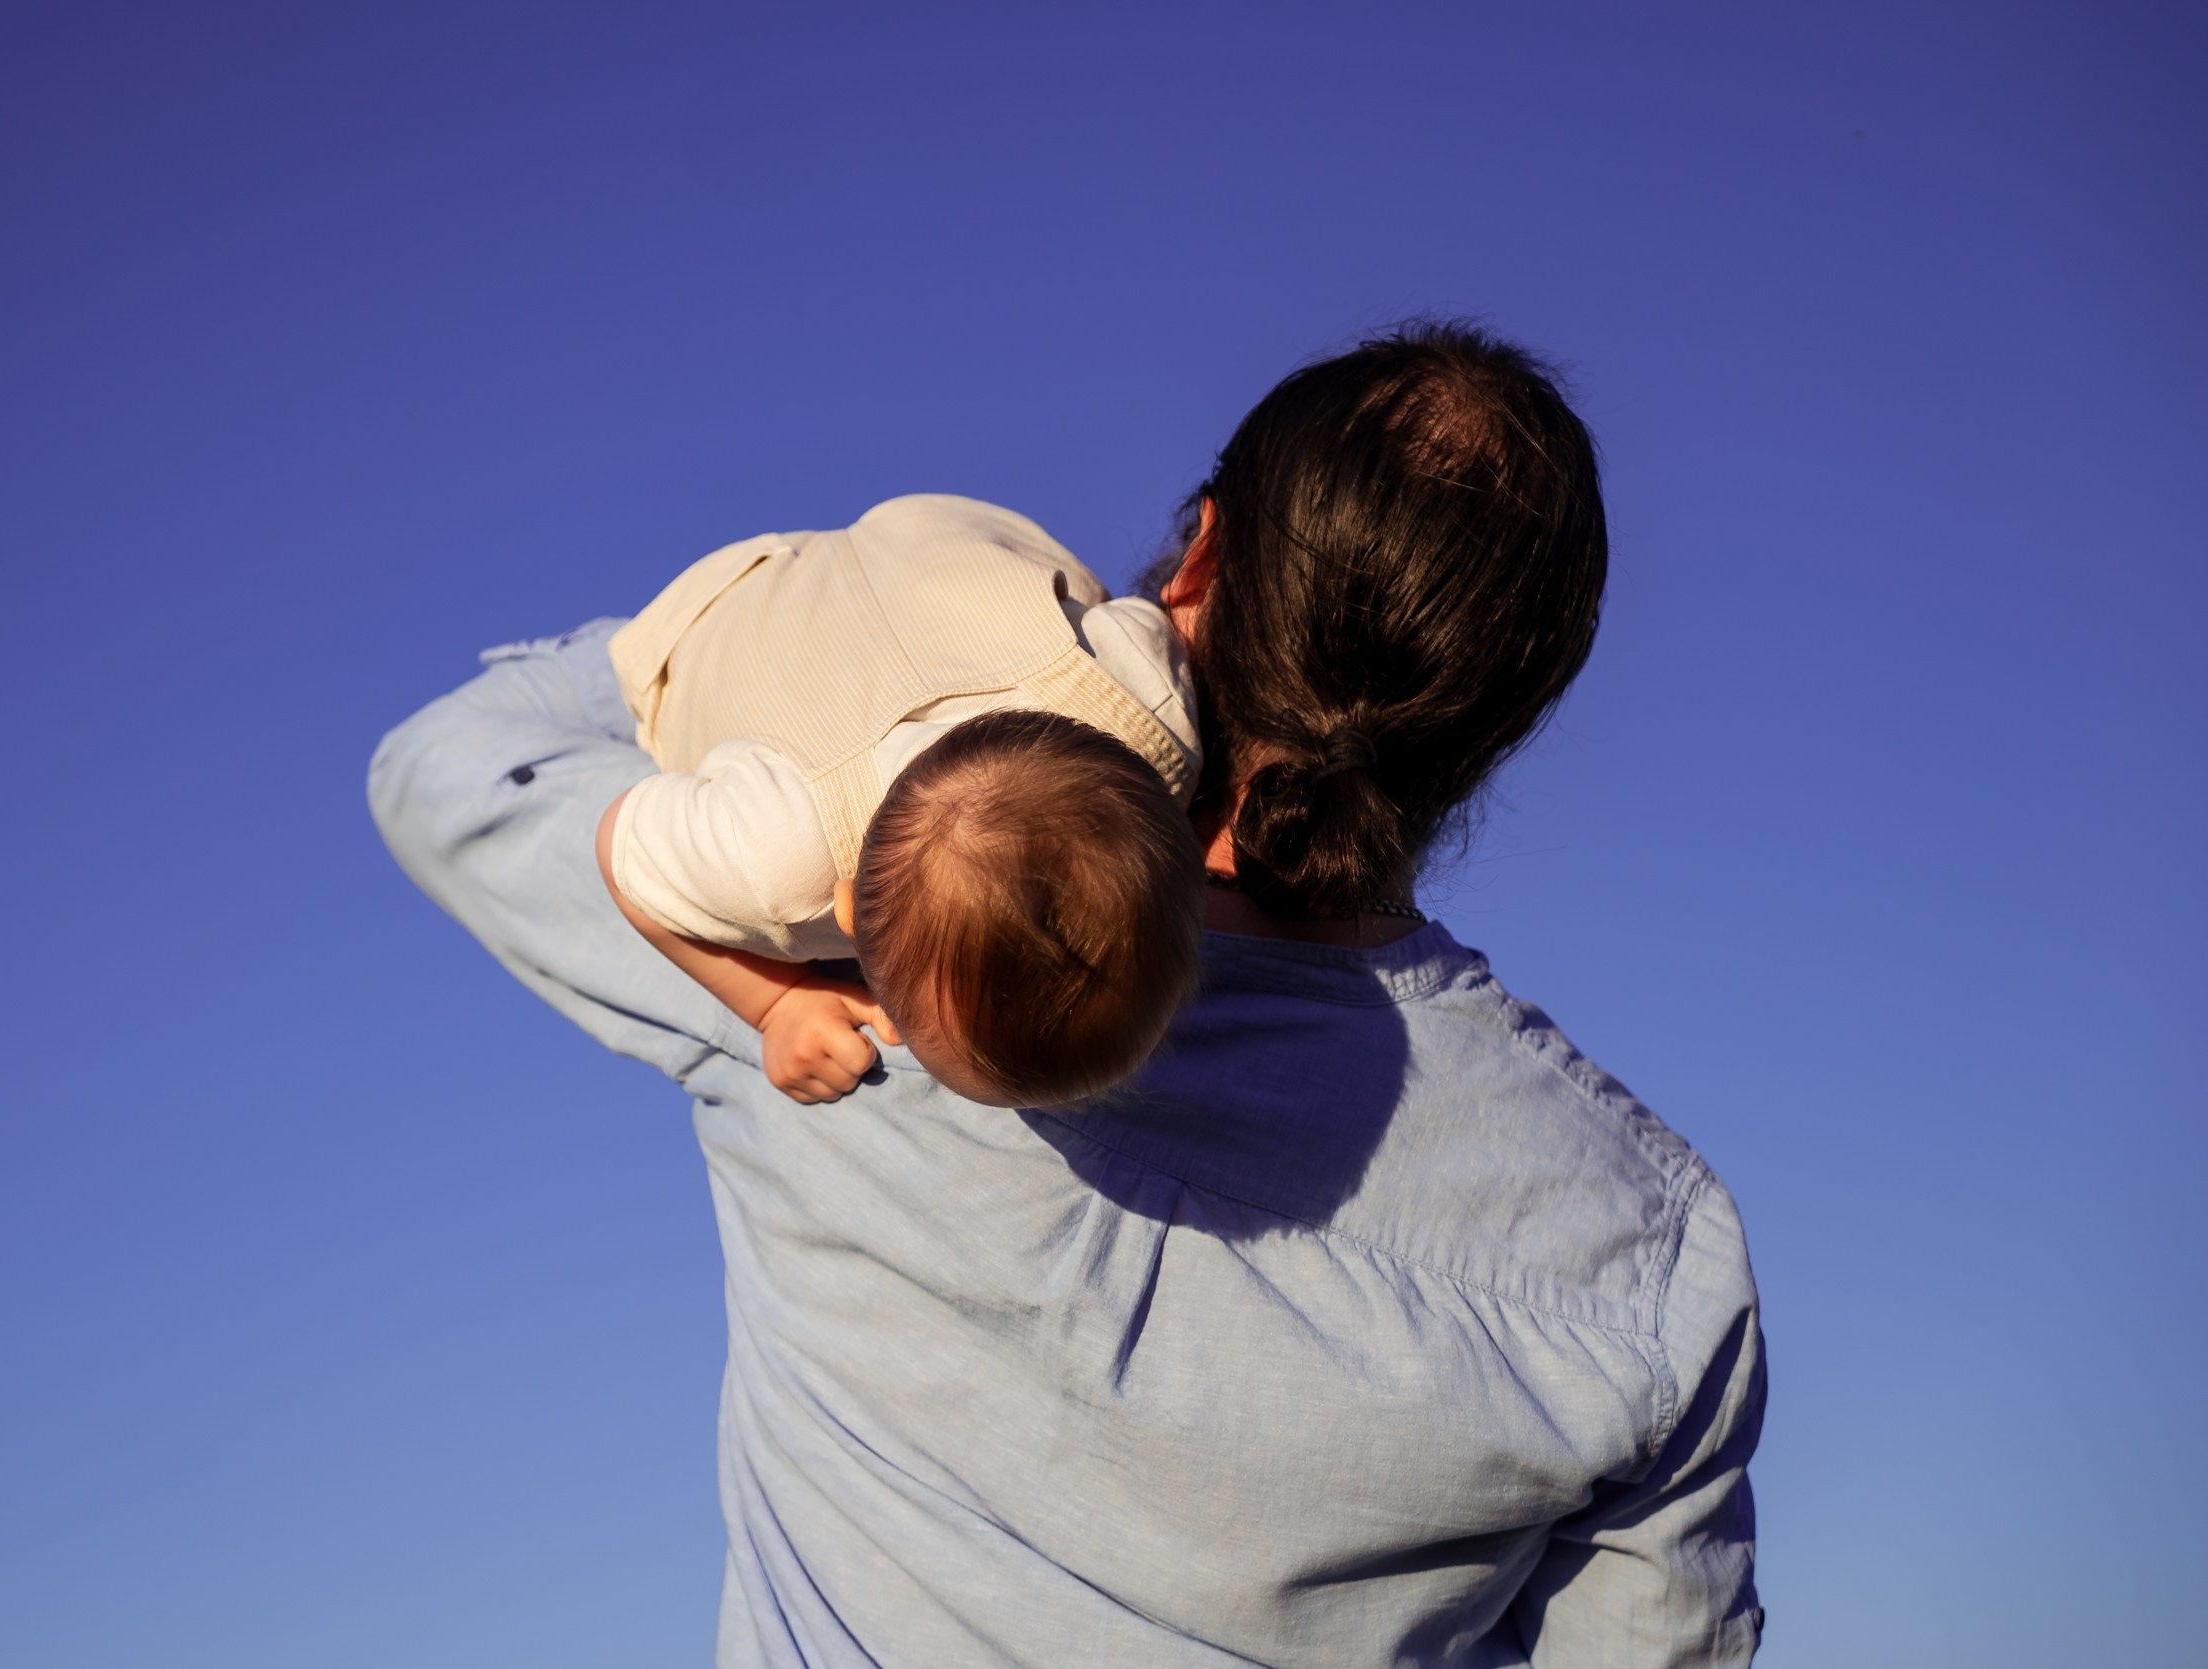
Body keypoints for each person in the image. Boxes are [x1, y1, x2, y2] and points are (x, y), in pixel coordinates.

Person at [369, 322, 1765, 1665]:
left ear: (1200, 553)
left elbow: (449, 769)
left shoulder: (855, 945)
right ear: (1502, 721)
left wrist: (798, 628)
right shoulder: (1648, 1254)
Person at [591, 494, 1204, 1106]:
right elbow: (618, 840)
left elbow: (1140, 624)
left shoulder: (1150, 722)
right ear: (849, 912)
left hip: (931, 533)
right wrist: (778, 1003)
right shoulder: (776, 860)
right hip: (711, 612)